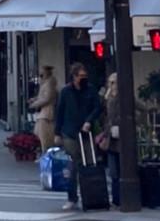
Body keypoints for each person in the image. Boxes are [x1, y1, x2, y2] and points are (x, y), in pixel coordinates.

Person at [54, 62, 102, 213]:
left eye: (85, 76)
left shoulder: (91, 89)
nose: (83, 78)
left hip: (86, 131)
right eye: (80, 76)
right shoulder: (66, 91)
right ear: (74, 77)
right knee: (73, 166)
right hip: (70, 132)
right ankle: (72, 197)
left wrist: (89, 120)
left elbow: (97, 107)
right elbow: (59, 112)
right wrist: (57, 133)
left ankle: (91, 196)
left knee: (89, 164)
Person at [99, 72, 120, 207]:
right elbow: (104, 116)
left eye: (113, 82)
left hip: (121, 136)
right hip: (110, 136)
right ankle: (116, 199)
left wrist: (131, 124)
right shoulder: (107, 98)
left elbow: (142, 108)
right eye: (109, 82)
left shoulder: (124, 96)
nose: (110, 85)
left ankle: (120, 198)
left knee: (121, 168)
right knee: (113, 171)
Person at [29, 66, 58, 152]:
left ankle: (46, 154)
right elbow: (42, 96)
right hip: (42, 113)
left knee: (45, 137)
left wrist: (34, 104)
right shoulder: (46, 83)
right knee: (39, 134)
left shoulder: (49, 83)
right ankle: (43, 153)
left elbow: (47, 98)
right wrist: (34, 99)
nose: (41, 74)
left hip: (46, 113)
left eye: (42, 72)